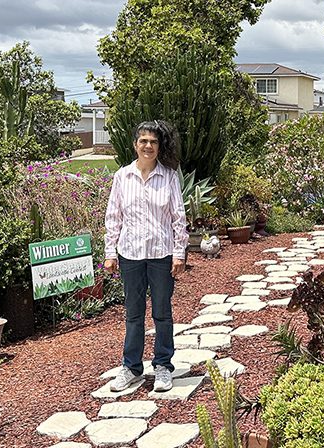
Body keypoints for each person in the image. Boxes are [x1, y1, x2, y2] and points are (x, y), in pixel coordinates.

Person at [103, 120, 188, 393]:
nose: (148, 146)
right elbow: (113, 217)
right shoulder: (122, 177)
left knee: (162, 313)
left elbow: (178, 217)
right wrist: (109, 252)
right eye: (143, 141)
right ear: (135, 145)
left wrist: (179, 253)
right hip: (130, 255)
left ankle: (163, 366)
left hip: (161, 254)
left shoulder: (169, 176)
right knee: (133, 314)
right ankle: (131, 367)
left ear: (159, 145)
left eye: (153, 142)